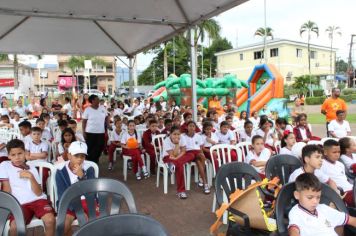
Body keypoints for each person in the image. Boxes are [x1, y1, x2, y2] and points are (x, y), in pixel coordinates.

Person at [0, 139, 55, 236]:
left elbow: (38, 193)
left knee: (50, 220)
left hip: (38, 200)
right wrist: (7, 207)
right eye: (13, 155)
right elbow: (7, 190)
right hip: (19, 203)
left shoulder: (32, 168)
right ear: (8, 156)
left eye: (20, 153)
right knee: (15, 228)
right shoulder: (4, 166)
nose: (17, 157)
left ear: (25, 153)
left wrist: (31, 177)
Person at [288, 173, 356, 236]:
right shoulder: (296, 212)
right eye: (310, 197)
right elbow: (293, 231)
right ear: (297, 195)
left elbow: (350, 220)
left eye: (318, 197)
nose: (315, 201)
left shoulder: (323, 208)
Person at [55, 141, 95, 236]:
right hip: (69, 203)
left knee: (94, 225)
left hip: (87, 201)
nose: (80, 159)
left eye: (83, 156)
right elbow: (62, 196)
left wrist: (82, 177)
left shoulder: (89, 169)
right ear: (69, 156)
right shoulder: (60, 172)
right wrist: (78, 209)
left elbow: (92, 193)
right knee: (63, 226)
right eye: (76, 156)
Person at [161, 126, 195, 199]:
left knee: (191, 155)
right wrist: (176, 144)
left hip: (177, 157)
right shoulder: (166, 140)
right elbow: (172, 154)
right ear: (170, 134)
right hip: (168, 157)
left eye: (178, 134)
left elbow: (183, 151)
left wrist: (176, 159)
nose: (177, 136)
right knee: (180, 166)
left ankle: (173, 164)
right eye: (174, 134)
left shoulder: (182, 138)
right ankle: (181, 191)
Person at [320, 140, 354, 206]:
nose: (337, 154)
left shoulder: (340, 164)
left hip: (351, 189)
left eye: (339, 152)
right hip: (342, 194)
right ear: (325, 152)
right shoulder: (321, 164)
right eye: (334, 152)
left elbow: (344, 180)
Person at [181, 121, 210, 194]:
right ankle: (203, 181)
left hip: (197, 153)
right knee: (200, 158)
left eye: (193, 126)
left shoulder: (198, 136)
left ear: (195, 128)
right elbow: (181, 148)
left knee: (200, 159)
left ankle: (204, 182)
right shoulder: (183, 136)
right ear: (187, 127)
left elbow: (200, 149)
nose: (192, 127)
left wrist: (204, 157)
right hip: (189, 153)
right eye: (190, 126)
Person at [82, 95, 110, 163]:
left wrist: (108, 124)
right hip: (90, 132)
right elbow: (84, 121)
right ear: (92, 101)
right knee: (90, 148)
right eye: (97, 99)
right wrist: (83, 131)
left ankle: (95, 159)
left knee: (100, 147)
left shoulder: (102, 108)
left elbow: (107, 117)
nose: (98, 101)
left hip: (101, 132)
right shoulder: (87, 109)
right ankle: (90, 162)